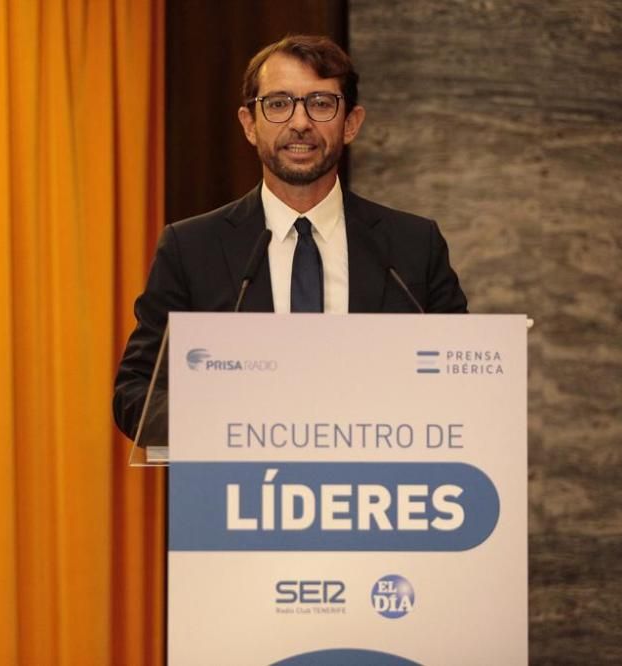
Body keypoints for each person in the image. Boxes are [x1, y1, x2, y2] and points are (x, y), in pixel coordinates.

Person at [113, 34, 467, 440]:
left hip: (379, 495)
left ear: (351, 123)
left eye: (320, 104)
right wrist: (230, 428)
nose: (300, 123)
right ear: (250, 124)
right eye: (279, 104)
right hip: (239, 495)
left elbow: (462, 383)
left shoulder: (412, 247)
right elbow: (135, 392)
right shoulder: (192, 248)